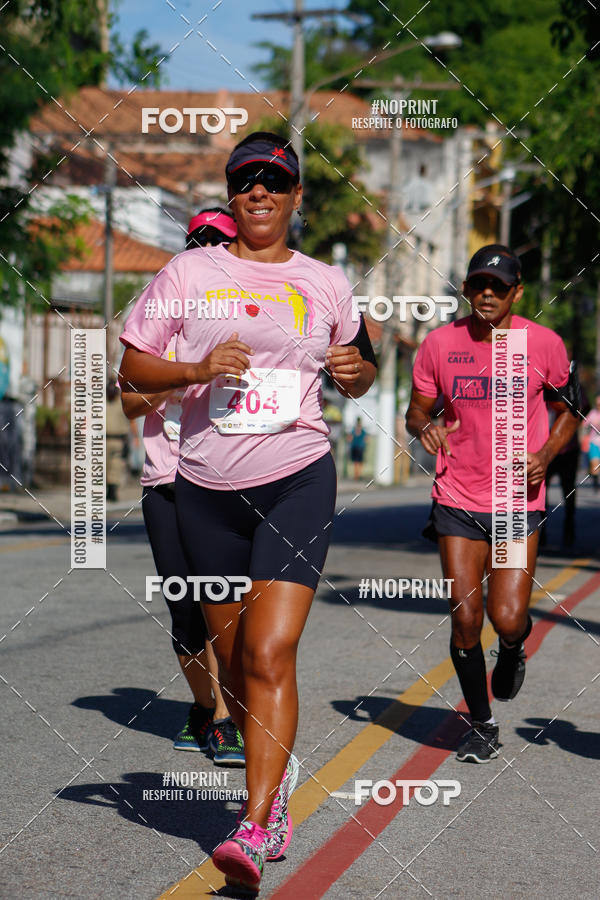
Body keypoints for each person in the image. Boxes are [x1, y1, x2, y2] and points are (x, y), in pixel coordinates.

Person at [119, 131, 377, 891]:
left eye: (275, 180)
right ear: (232, 196)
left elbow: (358, 372)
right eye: (246, 181)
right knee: (232, 663)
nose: (259, 192)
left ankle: (258, 822)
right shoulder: (188, 271)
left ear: (298, 196)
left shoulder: (325, 281)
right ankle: (273, 784)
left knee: (269, 653)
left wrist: (356, 371)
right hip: (203, 489)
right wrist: (198, 368)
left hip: (298, 478)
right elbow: (131, 367)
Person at [406, 244, 579, 764]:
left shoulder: (543, 343)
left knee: (506, 617)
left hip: (515, 500)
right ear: (467, 288)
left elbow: (570, 409)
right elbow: (417, 411)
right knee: (465, 618)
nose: (487, 293)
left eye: (498, 287)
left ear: (516, 293)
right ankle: (481, 723)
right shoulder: (439, 344)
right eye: (479, 284)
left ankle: (511, 646)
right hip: (456, 497)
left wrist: (546, 454)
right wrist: (426, 426)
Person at [120, 207, 245, 764]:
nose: (205, 249)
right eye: (197, 240)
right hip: (166, 482)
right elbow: (126, 402)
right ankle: (205, 706)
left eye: (217, 241)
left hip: (228, 482)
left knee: (228, 605)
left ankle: (226, 717)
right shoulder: (158, 317)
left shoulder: (244, 317)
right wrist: (186, 375)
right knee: (185, 610)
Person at [105, 378, 130, 502]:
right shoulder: (101, 403)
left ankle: (112, 491)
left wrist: (131, 439)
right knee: (104, 466)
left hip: (118, 440)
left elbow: (129, 421)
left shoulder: (121, 403)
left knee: (116, 466)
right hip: (103, 439)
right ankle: (106, 489)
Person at [583, 394, 600, 492]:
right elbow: (585, 424)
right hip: (594, 442)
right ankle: (595, 484)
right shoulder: (593, 413)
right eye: (598, 404)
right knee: (595, 464)